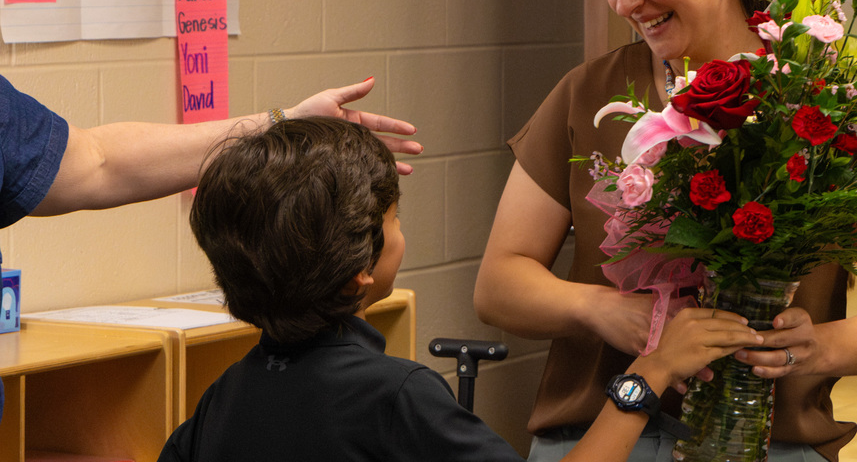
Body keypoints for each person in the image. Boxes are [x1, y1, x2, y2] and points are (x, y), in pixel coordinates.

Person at [473, 0, 857, 462]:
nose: (623, 2)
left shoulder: (835, 105)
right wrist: (605, 310)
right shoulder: (590, 95)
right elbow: (498, 284)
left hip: (771, 440)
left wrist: (815, 347)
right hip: (604, 435)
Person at [157, 117, 764, 462]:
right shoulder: (395, 396)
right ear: (358, 270)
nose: (400, 230)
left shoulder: (225, 398)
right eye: (394, 219)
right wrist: (649, 375)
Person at [0, 74, 421, 422]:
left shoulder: (226, 397)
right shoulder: (406, 396)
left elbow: (97, 161)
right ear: (359, 267)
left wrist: (287, 121)